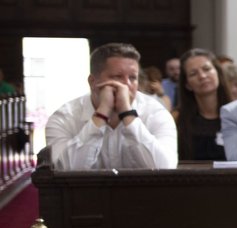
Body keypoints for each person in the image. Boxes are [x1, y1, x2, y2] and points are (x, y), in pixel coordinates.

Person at [43, 42, 178, 170]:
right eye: (117, 77)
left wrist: (127, 114)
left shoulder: (155, 112)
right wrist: (101, 115)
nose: (127, 85)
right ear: (92, 82)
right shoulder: (64, 117)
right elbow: (63, 169)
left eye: (132, 78)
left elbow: (164, 168)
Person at [174, 48, 229, 161]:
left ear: (217, 72)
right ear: (187, 84)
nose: (202, 76)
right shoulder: (177, 118)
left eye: (207, 69)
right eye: (193, 73)